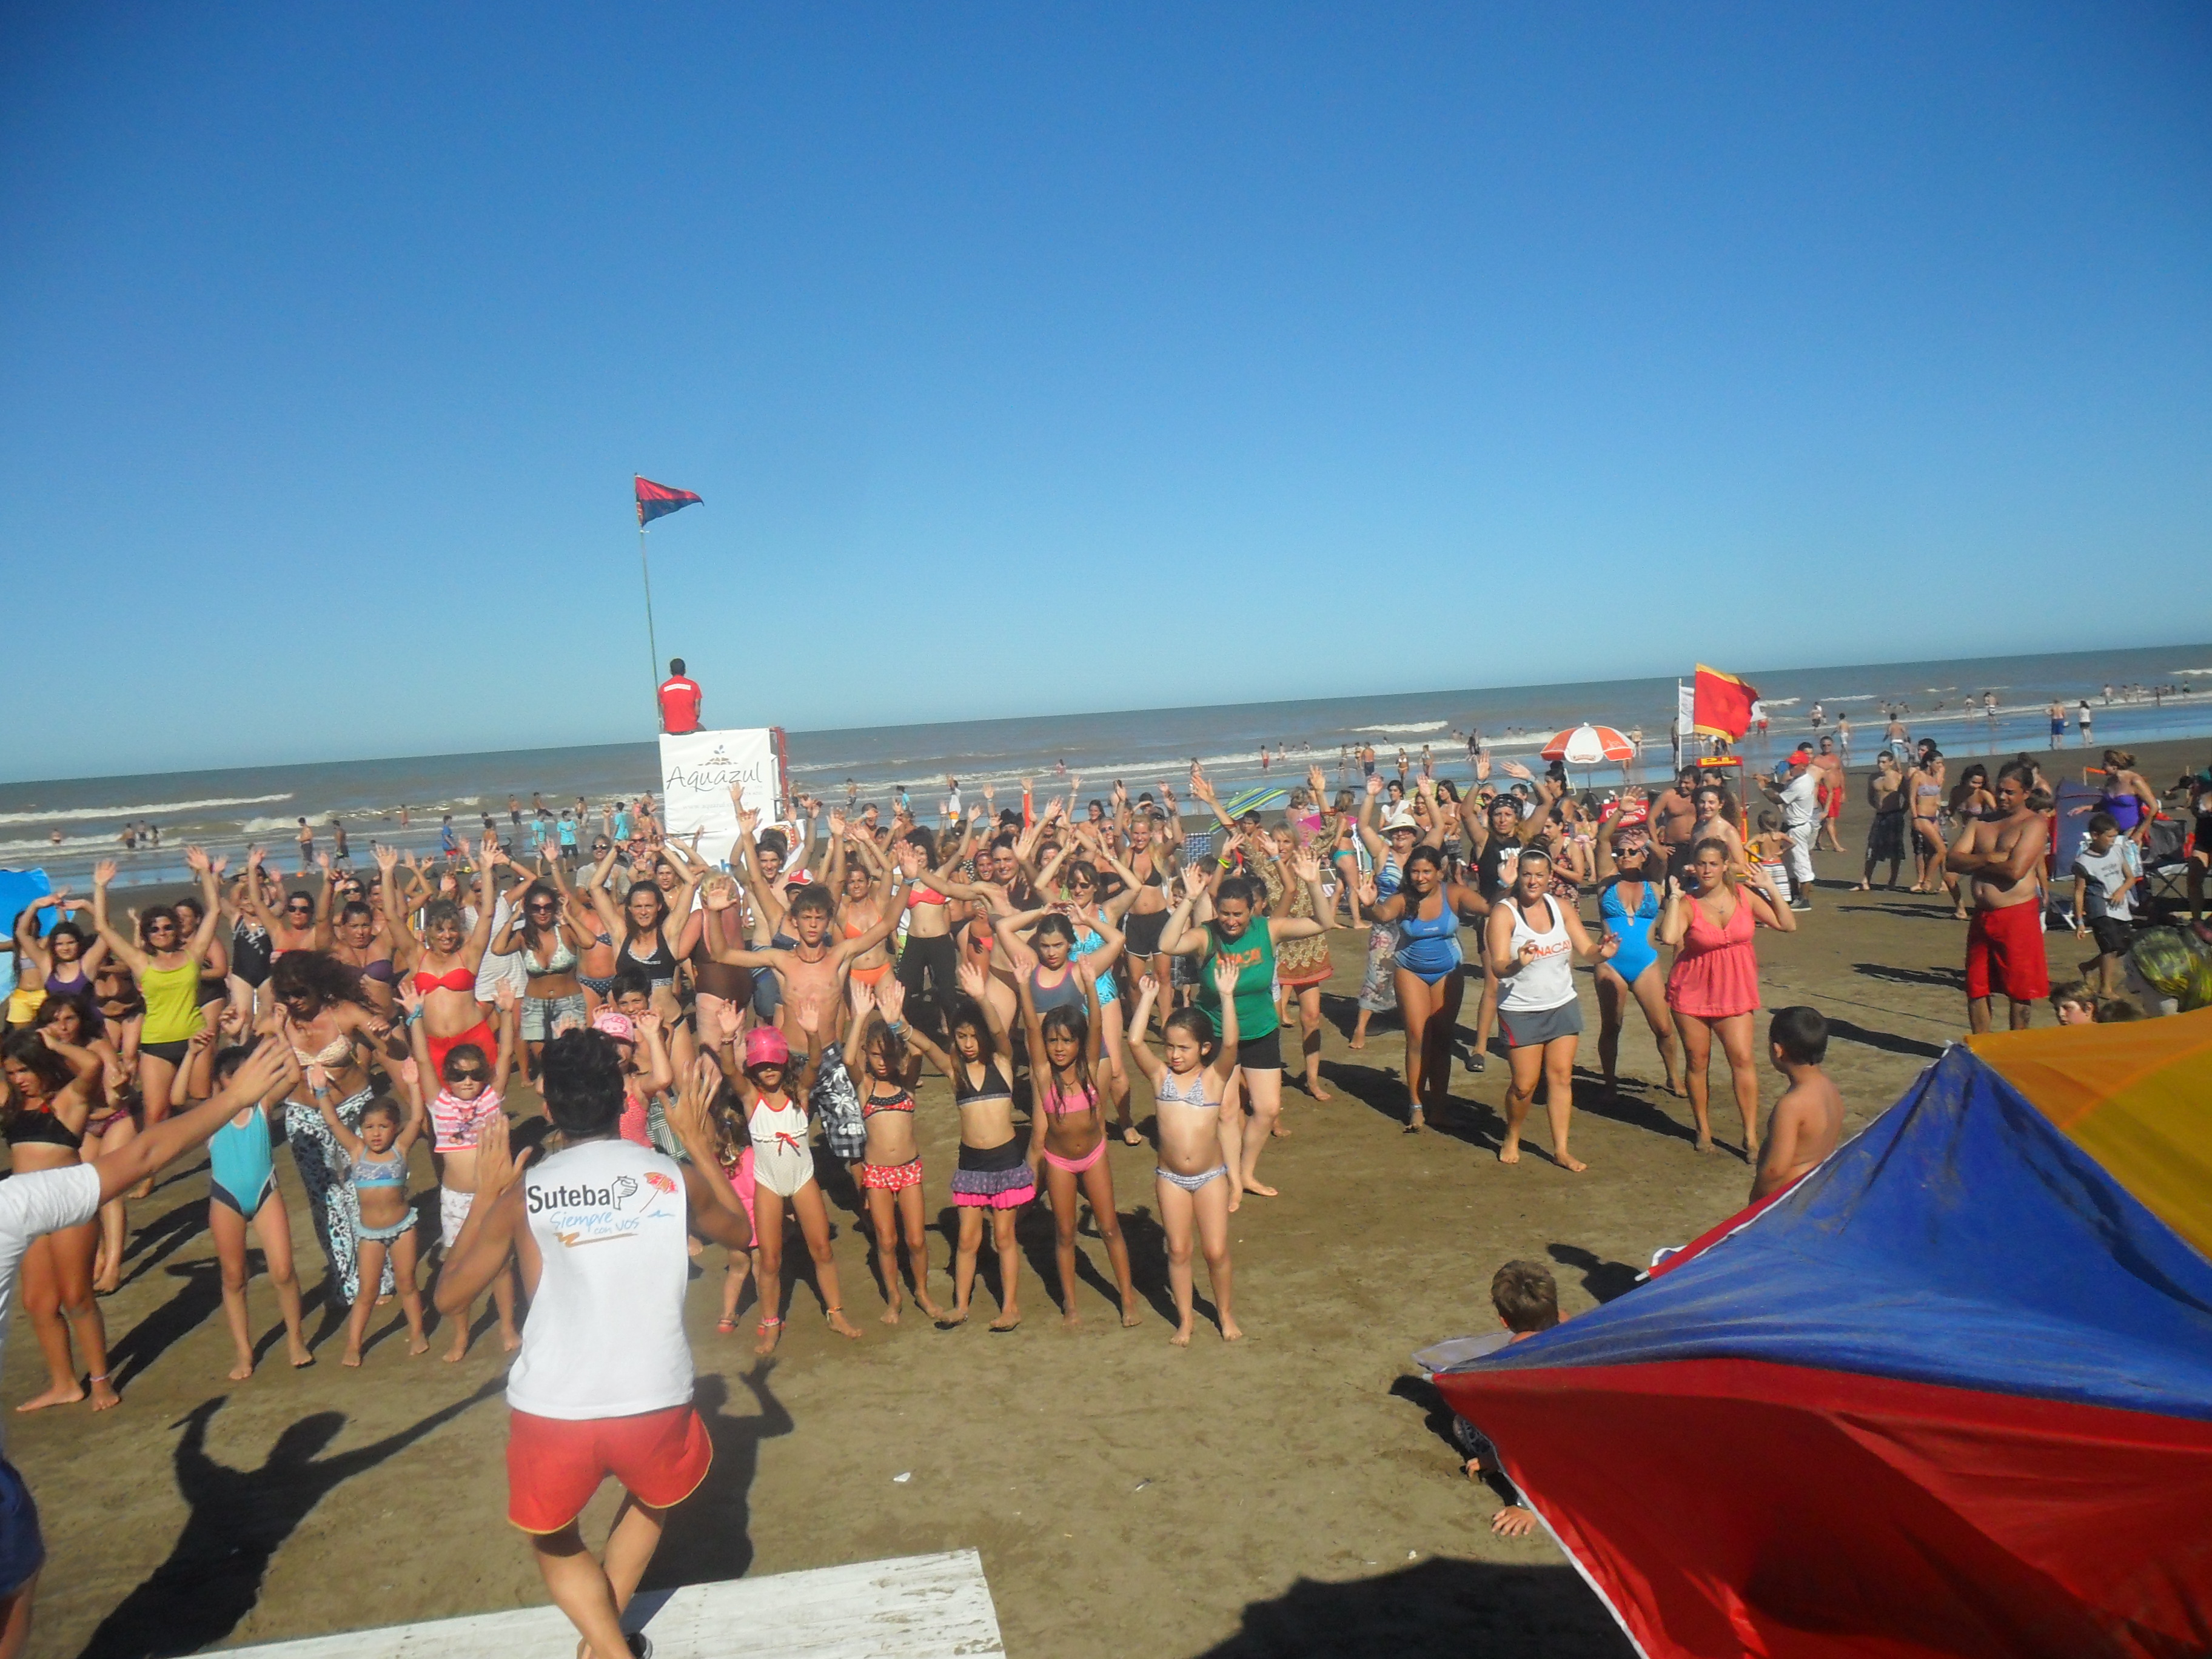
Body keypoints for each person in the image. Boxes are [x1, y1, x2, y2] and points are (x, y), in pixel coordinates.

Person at [435, 1033, 748, 1659]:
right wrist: (695, 1143)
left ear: (548, 1105)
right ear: (623, 1095)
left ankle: (605, 1648)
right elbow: (740, 1232)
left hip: (555, 1404)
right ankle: (603, 1649)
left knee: (553, 1537)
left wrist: (486, 1196)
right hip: (653, 1395)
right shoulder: (671, 1177)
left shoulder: (527, 1192)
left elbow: (448, 1297)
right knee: (652, 1500)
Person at [1157, 851, 1332, 1201]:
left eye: (1238, 914)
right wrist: (1189, 899)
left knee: (1267, 1109)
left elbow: (1322, 922)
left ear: (1253, 910)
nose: (1231, 921)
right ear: (1216, 909)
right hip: (1217, 1033)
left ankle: (1246, 1171)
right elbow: (1167, 945)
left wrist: (1314, 884)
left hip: (1261, 1030)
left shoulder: (1269, 930)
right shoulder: (1206, 936)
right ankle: (1233, 1181)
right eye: (1225, 913)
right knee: (1226, 1110)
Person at [705, 1010, 862, 1353]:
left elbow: (816, 1062)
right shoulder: (751, 1099)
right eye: (761, 1065)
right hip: (769, 1183)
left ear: (784, 1061)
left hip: (803, 1179)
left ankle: (836, 1313)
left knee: (822, 1249)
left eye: (773, 1063)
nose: (768, 1070)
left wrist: (813, 1033)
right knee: (770, 1260)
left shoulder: (800, 1094)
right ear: (753, 1069)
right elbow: (729, 1069)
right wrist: (728, 1037)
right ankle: (771, 1323)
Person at [1015, 956, 1140, 1331]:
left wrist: (1090, 987)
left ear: (1080, 1043)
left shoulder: (1088, 1068)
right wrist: (1022, 986)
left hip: (1095, 1157)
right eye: (1053, 1041)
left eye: (1067, 1041)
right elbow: (1031, 1028)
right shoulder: (1043, 1075)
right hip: (1058, 1163)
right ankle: (1070, 1305)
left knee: (1110, 1228)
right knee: (1066, 1234)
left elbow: (1097, 1023)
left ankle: (1127, 1299)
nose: (1058, 1048)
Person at [1124, 967, 1244, 1345]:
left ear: (1204, 1048)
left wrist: (1226, 996)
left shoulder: (1214, 1078)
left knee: (1216, 1251)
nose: (1174, 1055)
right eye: (1170, 1047)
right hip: (1171, 1180)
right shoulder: (1160, 1077)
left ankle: (1225, 1314)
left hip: (1210, 1178)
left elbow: (1231, 1044)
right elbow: (1134, 1041)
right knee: (1177, 1251)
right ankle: (1186, 1320)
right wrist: (1146, 999)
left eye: (1183, 1048)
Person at [1659, 840, 1797, 1159]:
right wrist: (1674, 898)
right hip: (1691, 991)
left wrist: (1771, 888)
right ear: (1694, 867)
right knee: (1697, 1061)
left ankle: (1750, 1136)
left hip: (1735, 990)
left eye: (1713, 864)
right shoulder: (1688, 904)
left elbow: (1788, 925)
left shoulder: (1744, 897)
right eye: (1701, 864)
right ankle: (1703, 1129)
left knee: (1743, 1060)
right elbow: (1668, 937)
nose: (1707, 870)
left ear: (1724, 866)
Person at [1485, 847, 1617, 1171]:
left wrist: (1603, 953)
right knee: (1524, 1085)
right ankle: (1512, 1135)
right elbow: (1498, 967)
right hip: (1521, 1009)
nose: (1533, 881)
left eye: (1540, 875)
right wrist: (1518, 963)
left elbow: (1586, 950)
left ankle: (1561, 1150)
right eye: (1527, 874)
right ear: (1519, 876)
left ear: (1550, 878)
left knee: (1561, 1078)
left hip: (1562, 1004)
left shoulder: (1561, 907)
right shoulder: (1504, 913)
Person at [411, 997, 521, 1362]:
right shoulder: (438, 1103)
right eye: (458, 1075)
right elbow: (423, 1060)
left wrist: (507, 1012)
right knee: (457, 1268)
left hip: (494, 1194)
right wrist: (414, 1017)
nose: (468, 1081)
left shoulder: (492, 1097)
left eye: (475, 1074)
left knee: (501, 1265)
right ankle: (461, 1336)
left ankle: (507, 1327)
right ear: (447, 1077)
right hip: (457, 1199)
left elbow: (506, 1054)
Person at [200, 1028, 315, 1380]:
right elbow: (177, 1097)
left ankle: (296, 1339)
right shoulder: (211, 1114)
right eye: (230, 1073)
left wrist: (280, 1033)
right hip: (226, 1199)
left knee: (283, 1270)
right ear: (218, 1080)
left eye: (243, 1070)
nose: (238, 1078)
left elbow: (293, 1076)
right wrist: (193, 1054)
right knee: (234, 1277)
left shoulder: (262, 1105)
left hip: (266, 1193)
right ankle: (244, 1351)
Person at [837, 981, 945, 1325]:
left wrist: (899, 1020)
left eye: (888, 1055)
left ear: (898, 1054)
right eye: (875, 1055)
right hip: (877, 1173)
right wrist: (860, 1017)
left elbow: (920, 1051)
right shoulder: (866, 1086)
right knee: (886, 1240)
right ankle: (894, 1297)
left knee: (916, 1239)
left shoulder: (906, 1083)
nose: (882, 1062)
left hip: (909, 1170)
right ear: (867, 1055)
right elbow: (847, 1058)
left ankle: (922, 1292)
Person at [1357, 843, 1475, 1133]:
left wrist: (1508, 887)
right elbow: (1383, 914)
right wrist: (1368, 906)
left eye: (1426, 872)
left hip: (1448, 971)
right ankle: (1416, 1107)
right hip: (1411, 972)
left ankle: (1440, 1109)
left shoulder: (1453, 894)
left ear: (1439, 872)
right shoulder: (1402, 899)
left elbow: (1490, 907)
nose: (1420, 878)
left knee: (1443, 1039)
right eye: (1414, 872)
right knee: (1418, 1038)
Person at [1446, 1261, 1562, 1539]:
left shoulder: (1516, 1365)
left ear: (1504, 1321)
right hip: (1595, 1436)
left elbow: (1532, 1434)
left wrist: (1528, 1506)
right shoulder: (1574, 1329)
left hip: (1561, 1454)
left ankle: (1530, 1494)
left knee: (1465, 1423)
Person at [1946, 762, 2051, 1033]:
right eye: (2000, 791)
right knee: (1976, 986)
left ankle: (2017, 1045)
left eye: (2010, 792)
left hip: (2016, 914)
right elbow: (1952, 861)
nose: (2002, 797)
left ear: (2026, 793)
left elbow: (2015, 871)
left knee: (2019, 989)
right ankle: (1982, 1045)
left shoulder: (2034, 823)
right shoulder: (1981, 822)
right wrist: (1990, 858)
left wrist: (1974, 862)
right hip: (1983, 915)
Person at [1590, 811, 1684, 1100]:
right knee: (1612, 1026)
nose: (1625, 856)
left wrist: (1649, 841)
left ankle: (1673, 1076)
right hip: (1610, 964)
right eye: (1621, 853)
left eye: (1632, 852)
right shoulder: (1607, 881)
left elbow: (1663, 860)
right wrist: (1620, 811)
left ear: (1644, 856)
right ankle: (1609, 1082)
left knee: (1664, 1028)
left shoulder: (1653, 884)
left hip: (1645, 963)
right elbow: (1603, 839)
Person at [1750, 1007, 1843, 1202]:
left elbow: (1775, 1171)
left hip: (1788, 1200)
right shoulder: (1831, 1090)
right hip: (1815, 1193)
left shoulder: (1792, 1106)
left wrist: (1755, 1207)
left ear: (1778, 1050)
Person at [2068, 811, 2140, 999]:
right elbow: (2079, 892)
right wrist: (2080, 921)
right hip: (2099, 908)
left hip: (2119, 905)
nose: (2112, 841)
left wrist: (2121, 891)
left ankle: (2088, 966)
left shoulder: (2117, 851)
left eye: (2115, 836)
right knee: (2110, 947)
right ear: (2095, 835)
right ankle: (2105, 989)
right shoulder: (2083, 862)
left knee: (2123, 946)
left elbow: (2131, 878)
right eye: (2109, 837)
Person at [1760, 752, 1820, 911]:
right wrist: (1769, 783)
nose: (1790, 768)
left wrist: (1764, 789)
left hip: (1797, 828)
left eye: (1793, 765)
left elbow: (1778, 799)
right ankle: (1794, 895)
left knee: (1801, 863)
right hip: (1791, 826)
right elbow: (1784, 789)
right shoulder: (1799, 780)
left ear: (1803, 766)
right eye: (1790, 764)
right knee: (1789, 863)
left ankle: (1804, 900)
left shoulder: (1802, 784)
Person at [1854, 752, 1909, 891]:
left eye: (1884, 762)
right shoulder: (1873, 778)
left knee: (1895, 849)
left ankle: (1892, 881)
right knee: (1872, 847)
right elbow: (1871, 797)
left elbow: (1908, 797)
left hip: (1894, 815)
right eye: (1879, 762)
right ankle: (1866, 880)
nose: (1880, 765)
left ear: (1891, 763)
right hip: (1880, 816)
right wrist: (1879, 808)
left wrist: (1901, 812)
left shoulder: (1898, 777)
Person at [657, 659, 703, 734]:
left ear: (671, 671)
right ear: (685, 671)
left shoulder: (663, 688)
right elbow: (697, 712)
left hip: (670, 730)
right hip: (691, 729)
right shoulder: (694, 686)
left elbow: (663, 712)